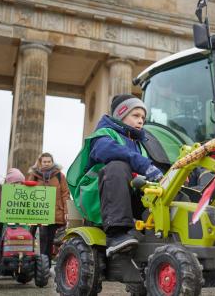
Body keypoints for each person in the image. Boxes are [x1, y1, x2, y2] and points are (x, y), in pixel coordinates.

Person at [70, 94, 164, 257]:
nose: (141, 120)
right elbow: (106, 151)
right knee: (118, 165)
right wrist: (144, 165)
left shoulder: (139, 145)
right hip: (99, 195)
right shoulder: (103, 135)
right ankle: (116, 234)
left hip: (127, 194)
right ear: (121, 115)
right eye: (135, 116)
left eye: (143, 117)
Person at [28, 153, 70, 259]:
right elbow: (28, 192)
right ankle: (40, 264)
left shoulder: (60, 176)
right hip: (39, 213)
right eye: (44, 162)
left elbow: (65, 194)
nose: (47, 164)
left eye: (49, 161)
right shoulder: (34, 176)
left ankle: (45, 265)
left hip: (55, 213)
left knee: (50, 240)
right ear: (40, 163)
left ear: (52, 162)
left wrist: (66, 211)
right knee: (40, 239)